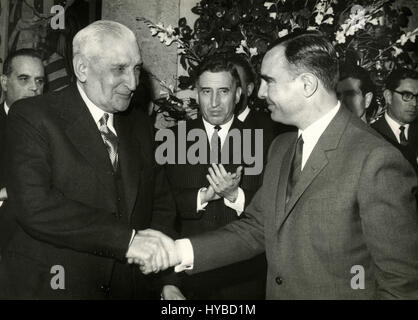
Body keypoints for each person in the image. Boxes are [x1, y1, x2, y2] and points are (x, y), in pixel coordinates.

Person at [140, 32, 418, 299]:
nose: (259, 93)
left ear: (307, 85)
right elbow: (257, 228)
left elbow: (400, 284)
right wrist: (177, 251)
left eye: (269, 81)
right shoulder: (282, 147)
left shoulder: (376, 160)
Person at [0, 20, 179, 299]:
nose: (132, 83)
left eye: (136, 69)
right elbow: (35, 205)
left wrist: (162, 273)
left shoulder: (142, 126)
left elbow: (161, 204)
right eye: (119, 69)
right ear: (82, 68)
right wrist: (128, 241)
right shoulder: (32, 116)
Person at [160, 55, 266, 299]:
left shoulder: (266, 140)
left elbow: (274, 213)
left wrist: (234, 195)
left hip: (245, 284)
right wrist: (167, 282)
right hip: (185, 283)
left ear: (238, 94)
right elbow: (160, 211)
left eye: (224, 92)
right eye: (206, 92)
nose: (215, 102)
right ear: (196, 94)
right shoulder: (171, 139)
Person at [0, 48, 45, 256]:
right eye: (24, 79)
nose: (34, 88)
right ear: (4, 82)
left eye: (39, 81)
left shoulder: (53, 130)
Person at [371, 68, 418, 174]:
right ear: (388, 96)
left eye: (417, 97)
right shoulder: (372, 135)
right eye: (407, 96)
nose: (414, 103)